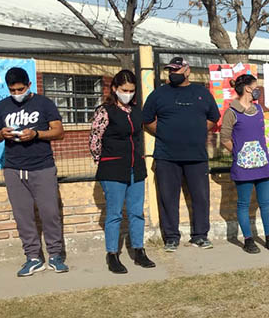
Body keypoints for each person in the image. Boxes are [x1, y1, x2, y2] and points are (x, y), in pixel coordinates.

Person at [0, 67, 67, 276]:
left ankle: (55, 255)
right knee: (22, 216)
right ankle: (33, 257)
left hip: (42, 166)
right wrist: (1, 133)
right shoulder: (2, 106)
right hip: (13, 168)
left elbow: (59, 132)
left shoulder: (44, 103)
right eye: (12, 90)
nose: (16, 93)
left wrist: (36, 134)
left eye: (20, 89)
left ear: (29, 85)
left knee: (50, 213)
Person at [143, 57, 220, 251]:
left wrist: (198, 131)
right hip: (166, 156)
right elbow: (146, 120)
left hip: (196, 155)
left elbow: (213, 117)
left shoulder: (202, 93)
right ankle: (171, 237)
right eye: (170, 70)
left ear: (187, 70)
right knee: (168, 198)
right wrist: (164, 132)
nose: (173, 73)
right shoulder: (158, 94)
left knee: (201, 197)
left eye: (177, 69)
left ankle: (200, 235)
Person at [89, 70, 154, 274]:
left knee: (137, 212)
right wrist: (104, 161)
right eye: (124, 90)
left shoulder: (136, 110)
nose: (128, 94)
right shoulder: (104, 111)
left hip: (136, 167)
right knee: (114, 214)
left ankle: (139, 251)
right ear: (115, 89)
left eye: (132, 90)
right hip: (113, 168)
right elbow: (95, 140)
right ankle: (112, 254)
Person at [220, 74, 269, 254]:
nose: (257, 89)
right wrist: (239, 153)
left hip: (262, 164)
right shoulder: (232, 112)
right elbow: (224, 138)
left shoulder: (259, 109)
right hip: (243, 167)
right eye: (255, 86)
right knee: (243, 203)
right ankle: (248, 239)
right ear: (247, 88)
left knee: (265, 202)